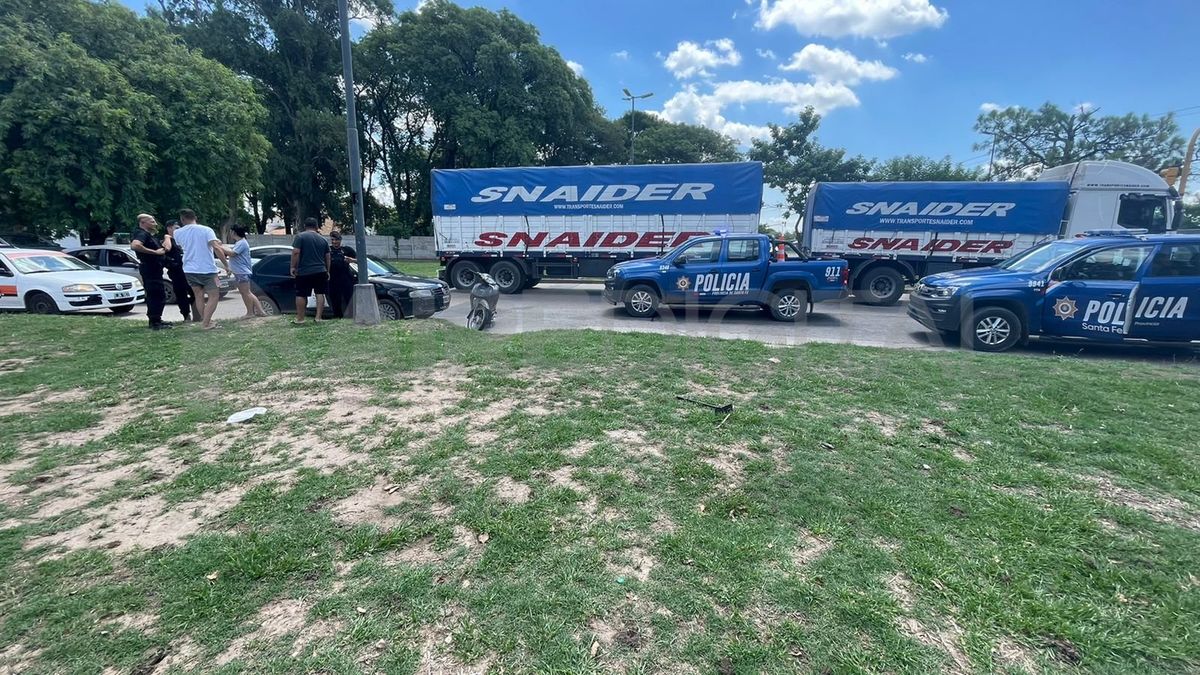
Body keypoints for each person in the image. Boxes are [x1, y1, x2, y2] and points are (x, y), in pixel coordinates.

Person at [173, 209, 230, 330]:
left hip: (189, 269)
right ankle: (206, 323)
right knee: (214, 296)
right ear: (195, 217)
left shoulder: (177, 233)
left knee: (198, 296)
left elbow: (181, 245)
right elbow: (216, 248)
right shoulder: (206, 230)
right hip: (207, 269)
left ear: (182, 219)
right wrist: (226, 264)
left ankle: (206, 320)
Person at [129, 213, 171, 330]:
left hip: (154, 268)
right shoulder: (141, 233)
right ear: (143, 222)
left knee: (159, 294)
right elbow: (135, 245)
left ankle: (157, 319)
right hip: (150, 268)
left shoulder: (148, 235)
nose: (155, 224)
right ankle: (154, 322)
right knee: (155, 294)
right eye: (152, 221)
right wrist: (155, 252)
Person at [290, 217, 330, 323]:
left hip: (304, 271)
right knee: (320, 293)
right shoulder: (323, 239)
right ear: (316, 226)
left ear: (305, 226)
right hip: (320, 270)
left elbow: (296, 252)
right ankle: (318, 318)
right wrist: (327, 270)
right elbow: (328, 257)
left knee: (301, 294)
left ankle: (300, 319)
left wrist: (293, 267)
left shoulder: (300, 237)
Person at [228, 226, 266, 319]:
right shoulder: (239, 243)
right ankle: (260, 311)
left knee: (246, 293)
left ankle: (250, 313)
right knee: (246, 292)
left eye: (230, 232)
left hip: (242, 272)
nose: (230, 234)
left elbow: (232, 253)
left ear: (234, 232)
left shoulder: (242, 243)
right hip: (240, 272)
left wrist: (219, 247)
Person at [162, 220, 193, 321]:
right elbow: (166, 248)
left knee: (195, 292)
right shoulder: (167, 240)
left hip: (189, 270)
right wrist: (167, 237)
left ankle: (198, 315)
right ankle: (186, 315)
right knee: (181, 294)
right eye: (176, 228)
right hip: (177, 272)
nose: (179, 230)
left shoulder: (183, 239)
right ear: (169, 228)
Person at [327, 230, 357, 318]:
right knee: (335, 299)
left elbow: (361, 260)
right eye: (332, 240)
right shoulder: (328, 250)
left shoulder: (347, 250)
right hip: (332, 279)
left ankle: (352, 316)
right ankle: (337, 316)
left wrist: (352, 260)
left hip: (346, 278)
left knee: (349, 297)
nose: (334, 242)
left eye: (336, 240)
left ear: (340, 240)